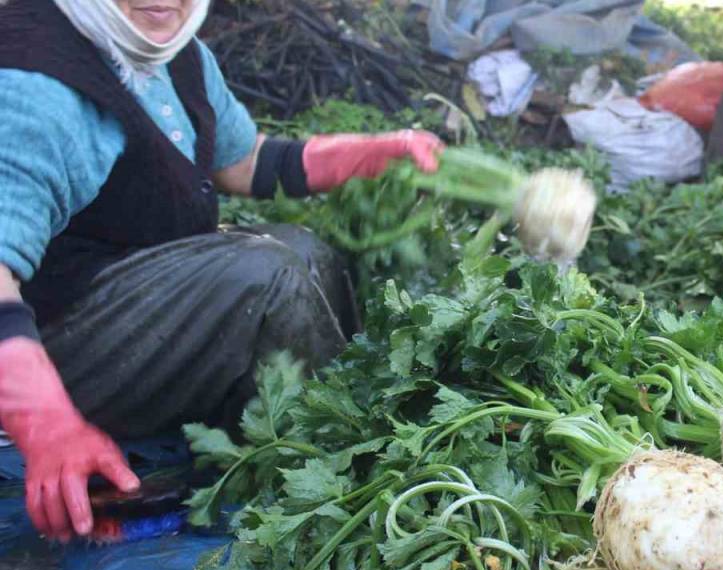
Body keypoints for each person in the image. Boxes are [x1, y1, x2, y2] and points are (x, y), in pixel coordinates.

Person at [0, 0, 448, 542]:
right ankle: (335, 487)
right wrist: (47, 426)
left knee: (303, 251)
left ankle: (329, 443)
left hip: (129, 300)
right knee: (265, 277)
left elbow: (245, 162)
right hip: (52, 346)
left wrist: (367, 154)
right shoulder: (35, 87)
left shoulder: (168, 50)